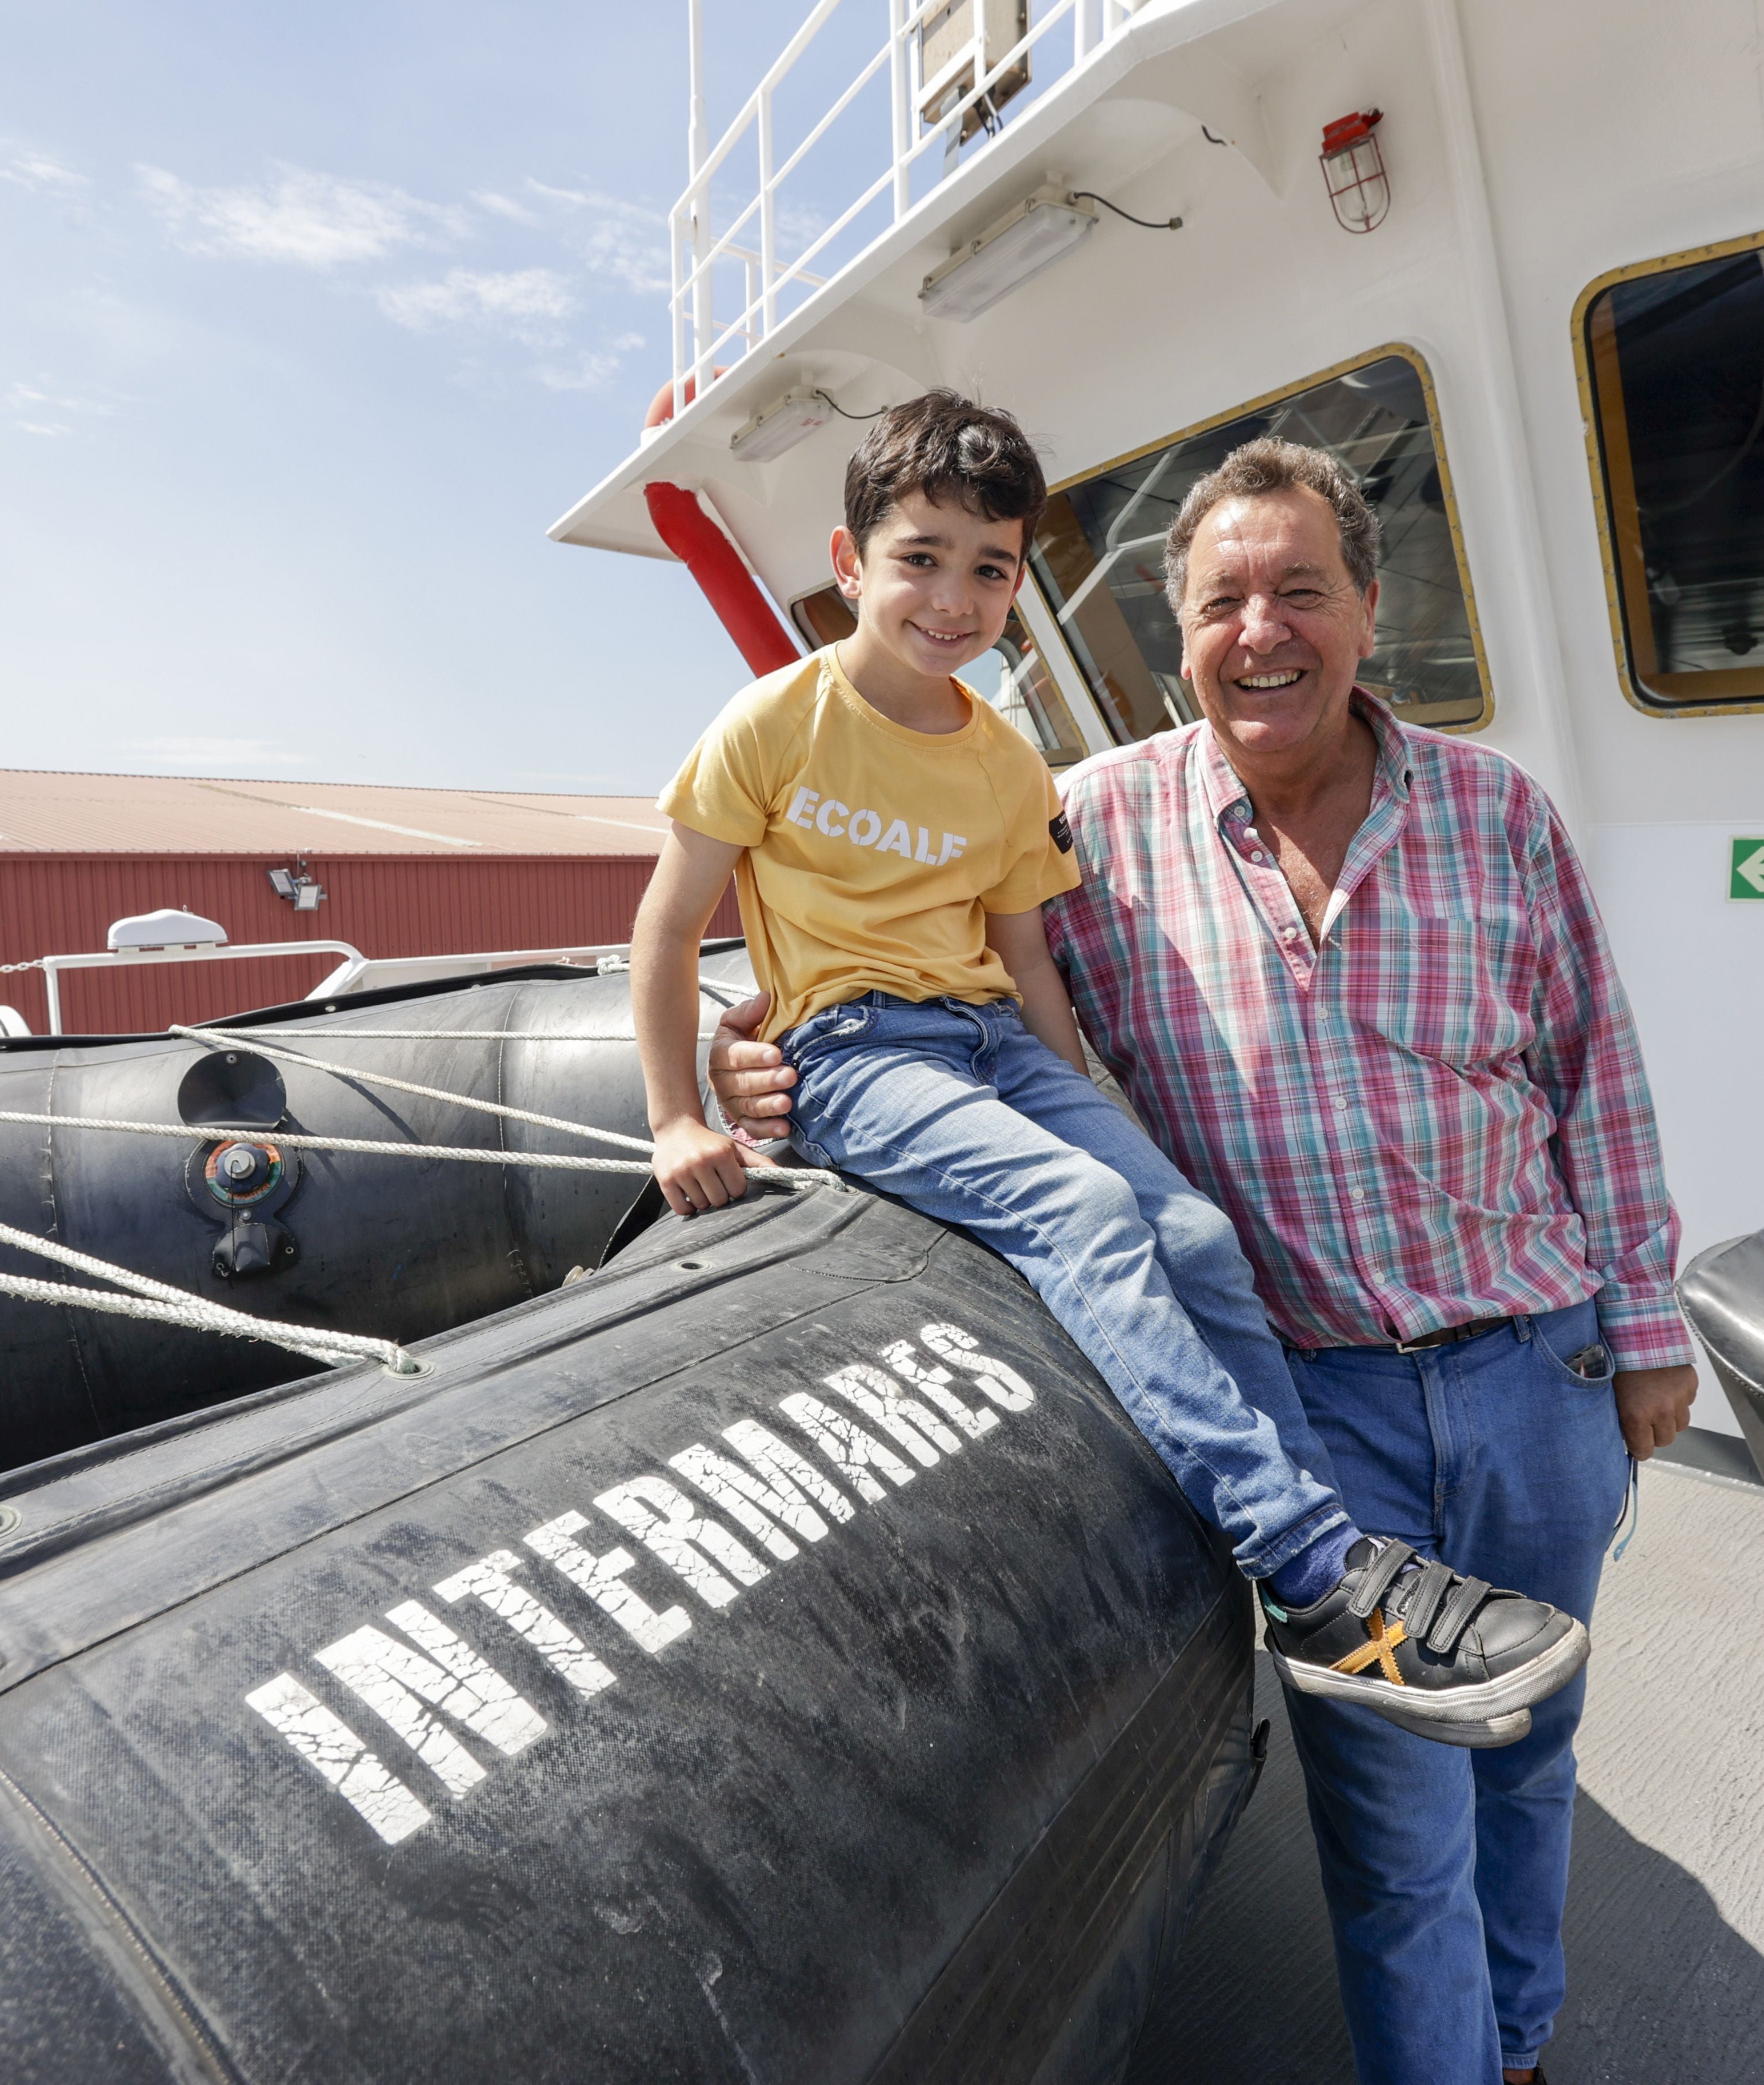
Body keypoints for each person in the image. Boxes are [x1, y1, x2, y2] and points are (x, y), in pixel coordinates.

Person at [707, 435, 1695, 2085]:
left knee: (1530, 1749)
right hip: (1318, 1415)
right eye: (1225, 599)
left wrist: (1645, 1331)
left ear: (1369, 611)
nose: (1265, 631)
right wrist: (755, 1061)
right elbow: (885, 951)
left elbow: (1602, 1079)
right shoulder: (1078, 826)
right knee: (1393, 1835)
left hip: (1543, 1372)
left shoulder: (1500, 814)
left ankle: (1520, 2046)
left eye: (1301, 589)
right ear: (1179, 636)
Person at [627, 391, 1589, 1747]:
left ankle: (1343, 1578)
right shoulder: (773, 723)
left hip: (994, 1044)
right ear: (850, 566)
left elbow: (1027, 965)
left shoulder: (1011, 764)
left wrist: (1081, 1111)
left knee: (1190, 1228)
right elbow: (667, 929)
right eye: (919, 558)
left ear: (1021, 582)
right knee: (1078, 1217)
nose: (953, 598)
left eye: (990, 568)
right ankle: (1315, 1573)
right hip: (851, 1047)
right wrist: (681, 1110)